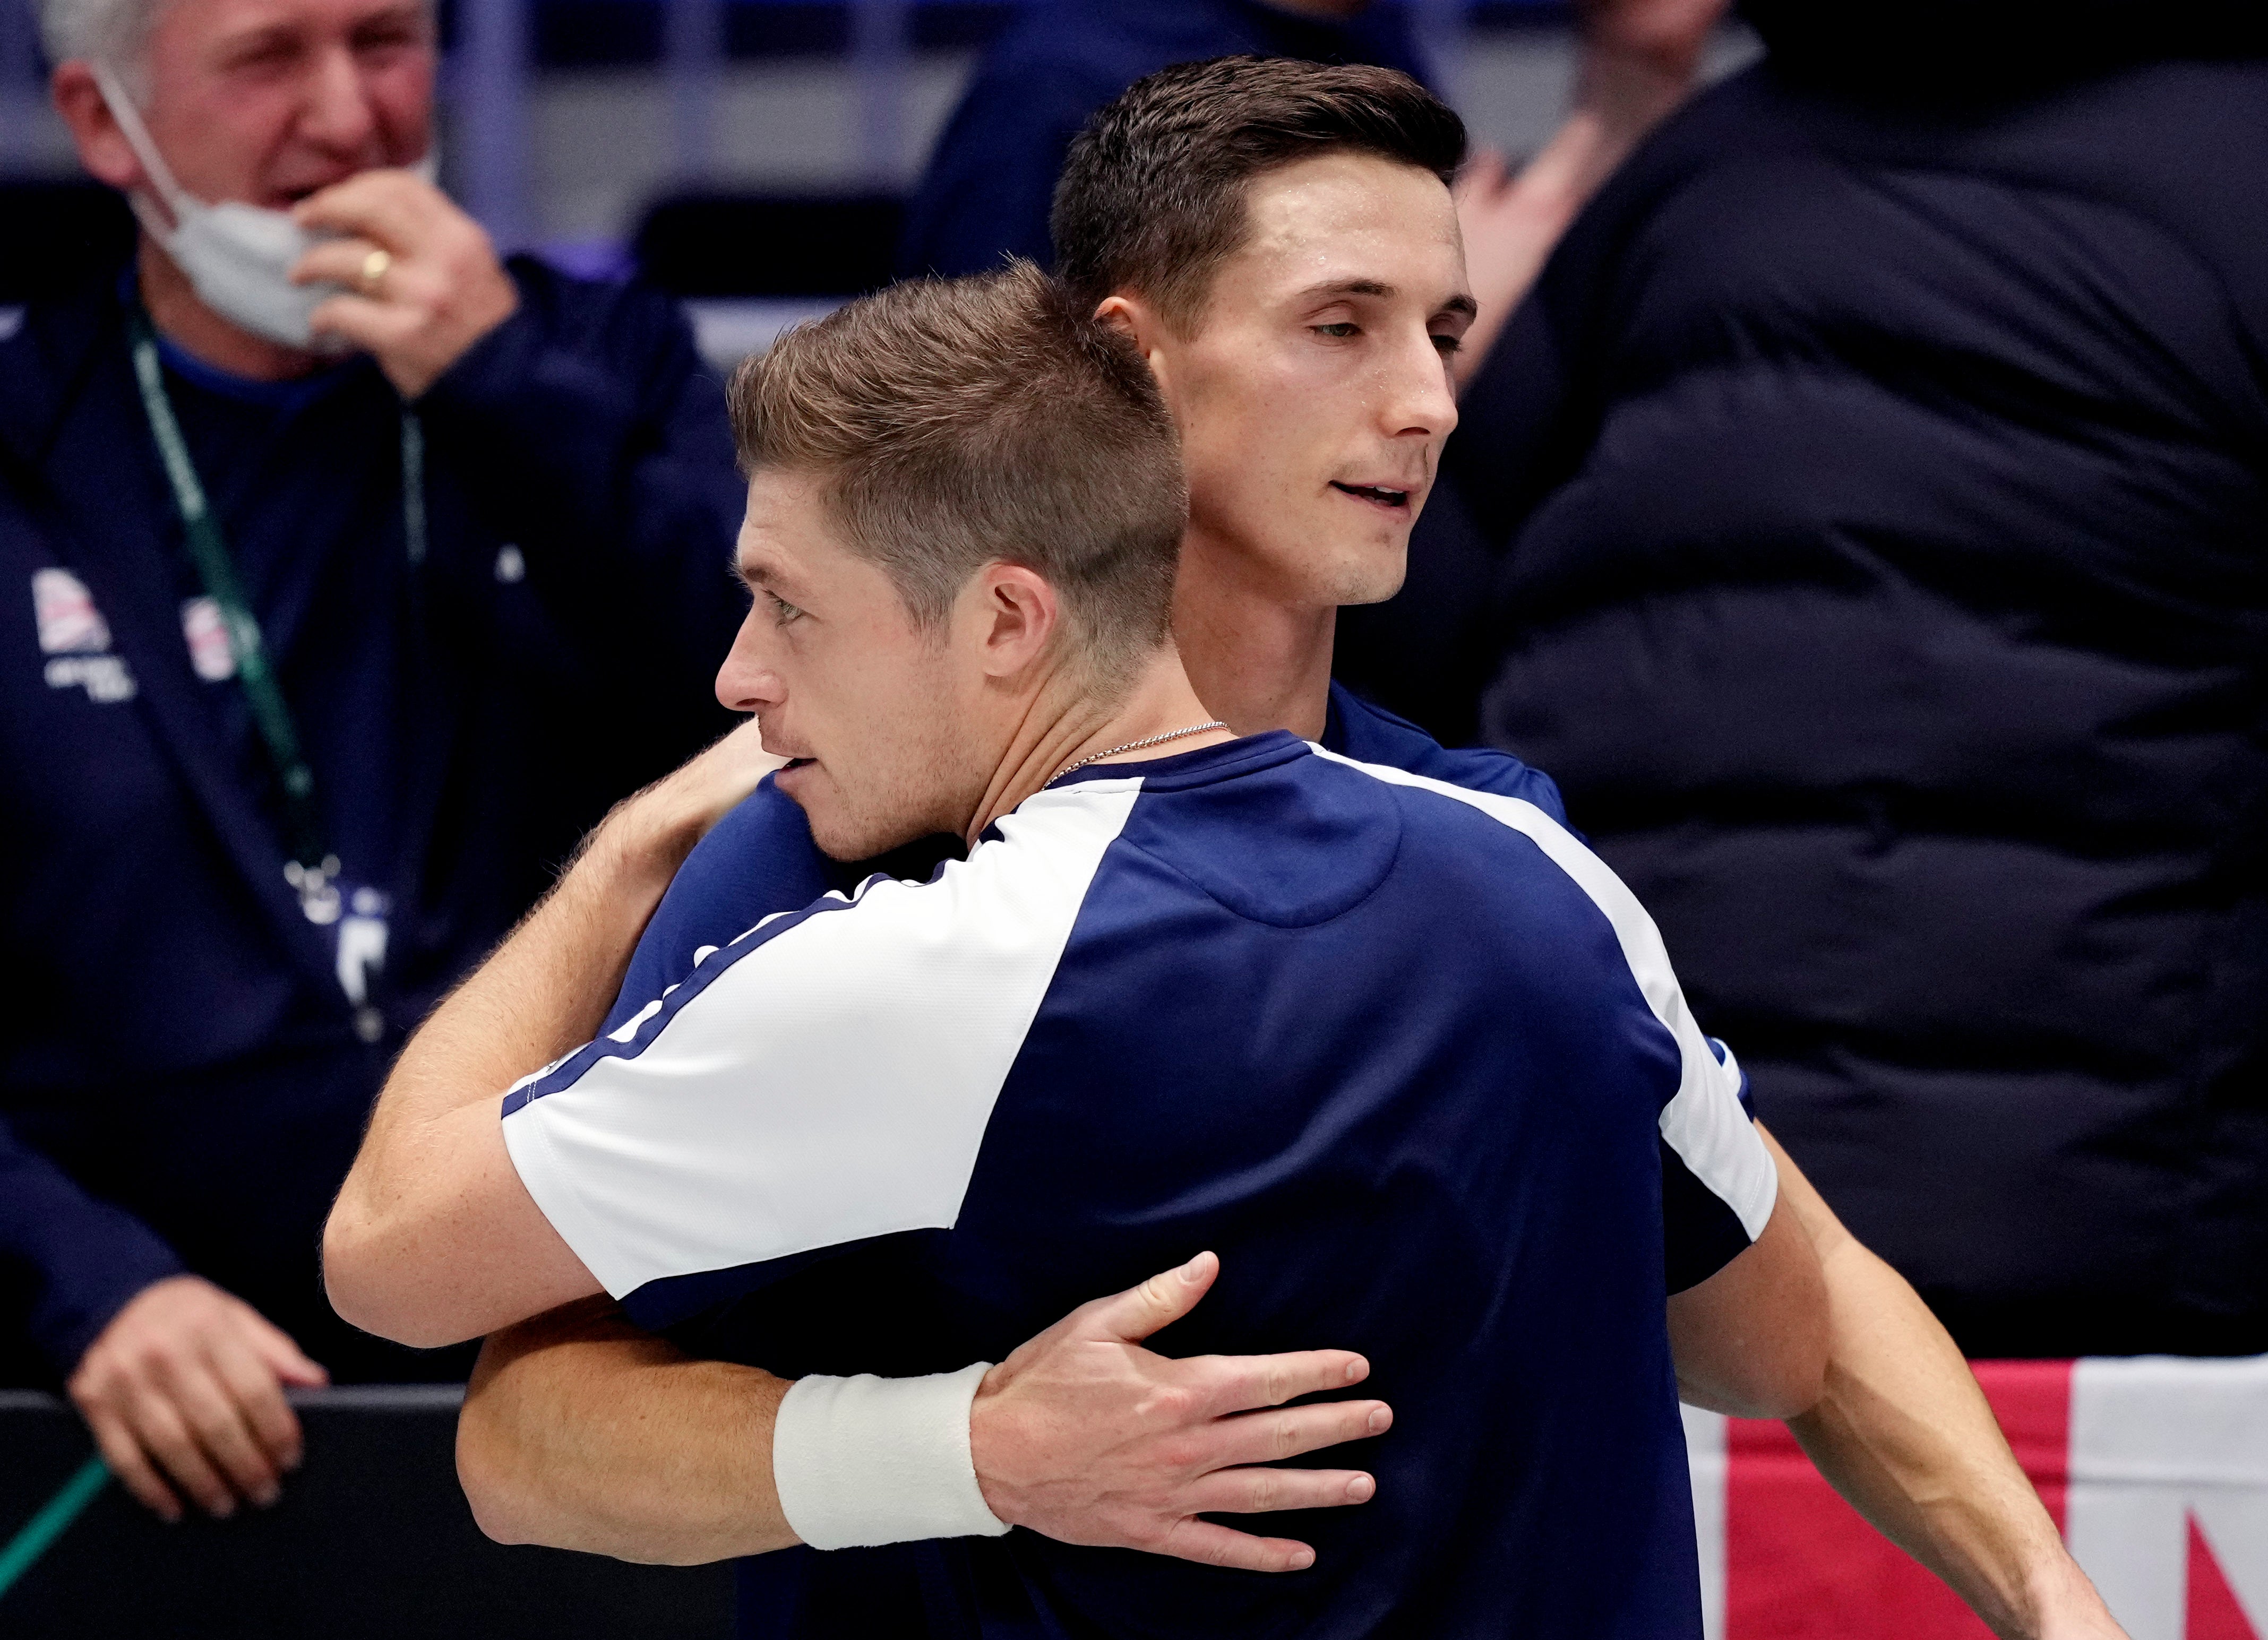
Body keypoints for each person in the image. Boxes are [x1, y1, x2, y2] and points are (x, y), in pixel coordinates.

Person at [457, 59, 2124, 1640]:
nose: (1428, 402)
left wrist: (2050, 1597)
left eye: (1447, 330)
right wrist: (958, 1443)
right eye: (1342, 325)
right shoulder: (841, 844)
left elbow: (1795, 1311)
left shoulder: (1501, 853)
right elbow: (526, 1435)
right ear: (1134, 362)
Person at [325, 256, 1832, 1638]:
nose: (741, 675)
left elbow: (387, 1260)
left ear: (1003, 622)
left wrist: (630, 855)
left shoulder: (932, 973)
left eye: (791, 606)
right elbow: (1776, 1355)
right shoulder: (1544, 873)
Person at [1422, 0, 2268, 1360]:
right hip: (2115, 1270)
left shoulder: (1687, 183)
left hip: (1651, 1220)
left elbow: (1408, 635)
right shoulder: (2237, 175)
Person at [0, 0, 748, 1522]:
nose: (350, 117)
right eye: (271, 58)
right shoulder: (24, 442)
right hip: (146, 1395)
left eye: (388, 41)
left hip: (586, 1334)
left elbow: (807, 718)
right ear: (101, 123)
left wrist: (503, 387)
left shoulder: (600, 363)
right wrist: (83, 1284)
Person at [898, 0, 1725, 301]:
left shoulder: (1362, 32)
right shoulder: (1062, 93)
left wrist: (1635, 76)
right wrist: (1437, 353)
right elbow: (987, 498)